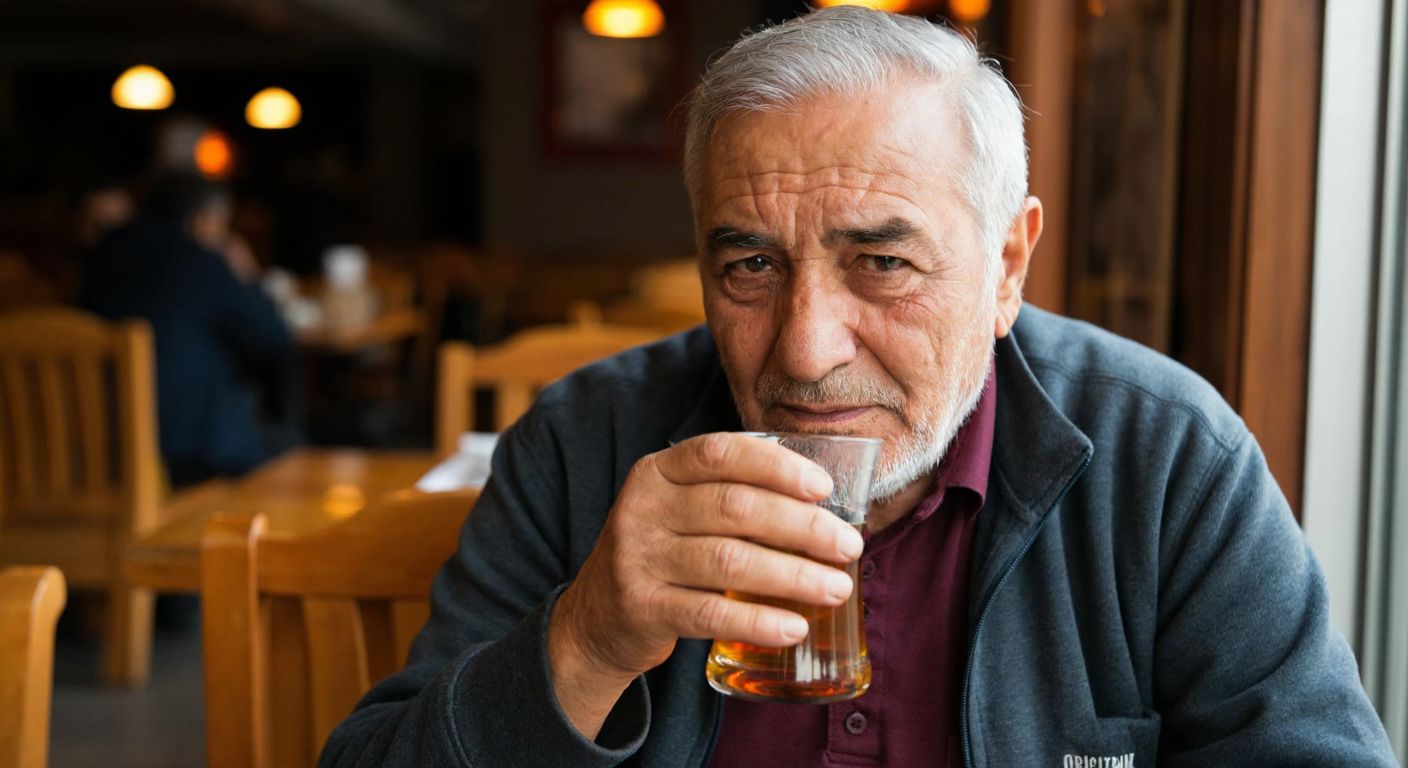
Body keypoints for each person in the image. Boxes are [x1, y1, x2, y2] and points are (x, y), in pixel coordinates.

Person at [320, 8, 1396, 766]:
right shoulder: (582, 441)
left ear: (1006, 267)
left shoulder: (1164, 459)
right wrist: (587, 639)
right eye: (749, 265)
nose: (802, 351)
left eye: (882, 263)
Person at [81, 173, 292, 487]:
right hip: (190, 455)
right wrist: (247, 275)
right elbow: (273, 338)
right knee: (289, 441)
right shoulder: (200, 261)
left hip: (100, 444)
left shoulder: (101, 255)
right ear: (202, 221)